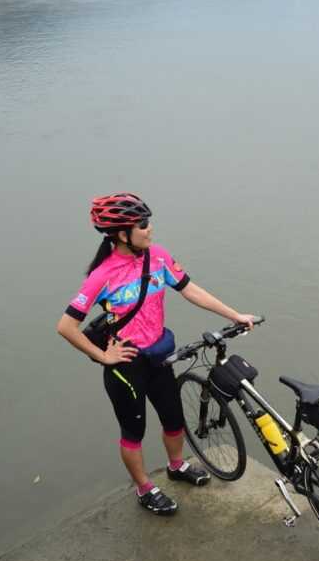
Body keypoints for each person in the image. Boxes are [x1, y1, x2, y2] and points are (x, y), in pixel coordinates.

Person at [56, 193, 258, 515]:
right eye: (143, 225)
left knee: (174, 420)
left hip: (160, 357)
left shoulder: (158, 257)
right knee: (134, 432)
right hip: (127, 365)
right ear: (122, 234)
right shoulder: (102, 275)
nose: (150, 230)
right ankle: (144, 487)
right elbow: (66, 326)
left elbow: (191, 289)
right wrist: (104, 356)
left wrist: (234, 315)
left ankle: (176, 466)